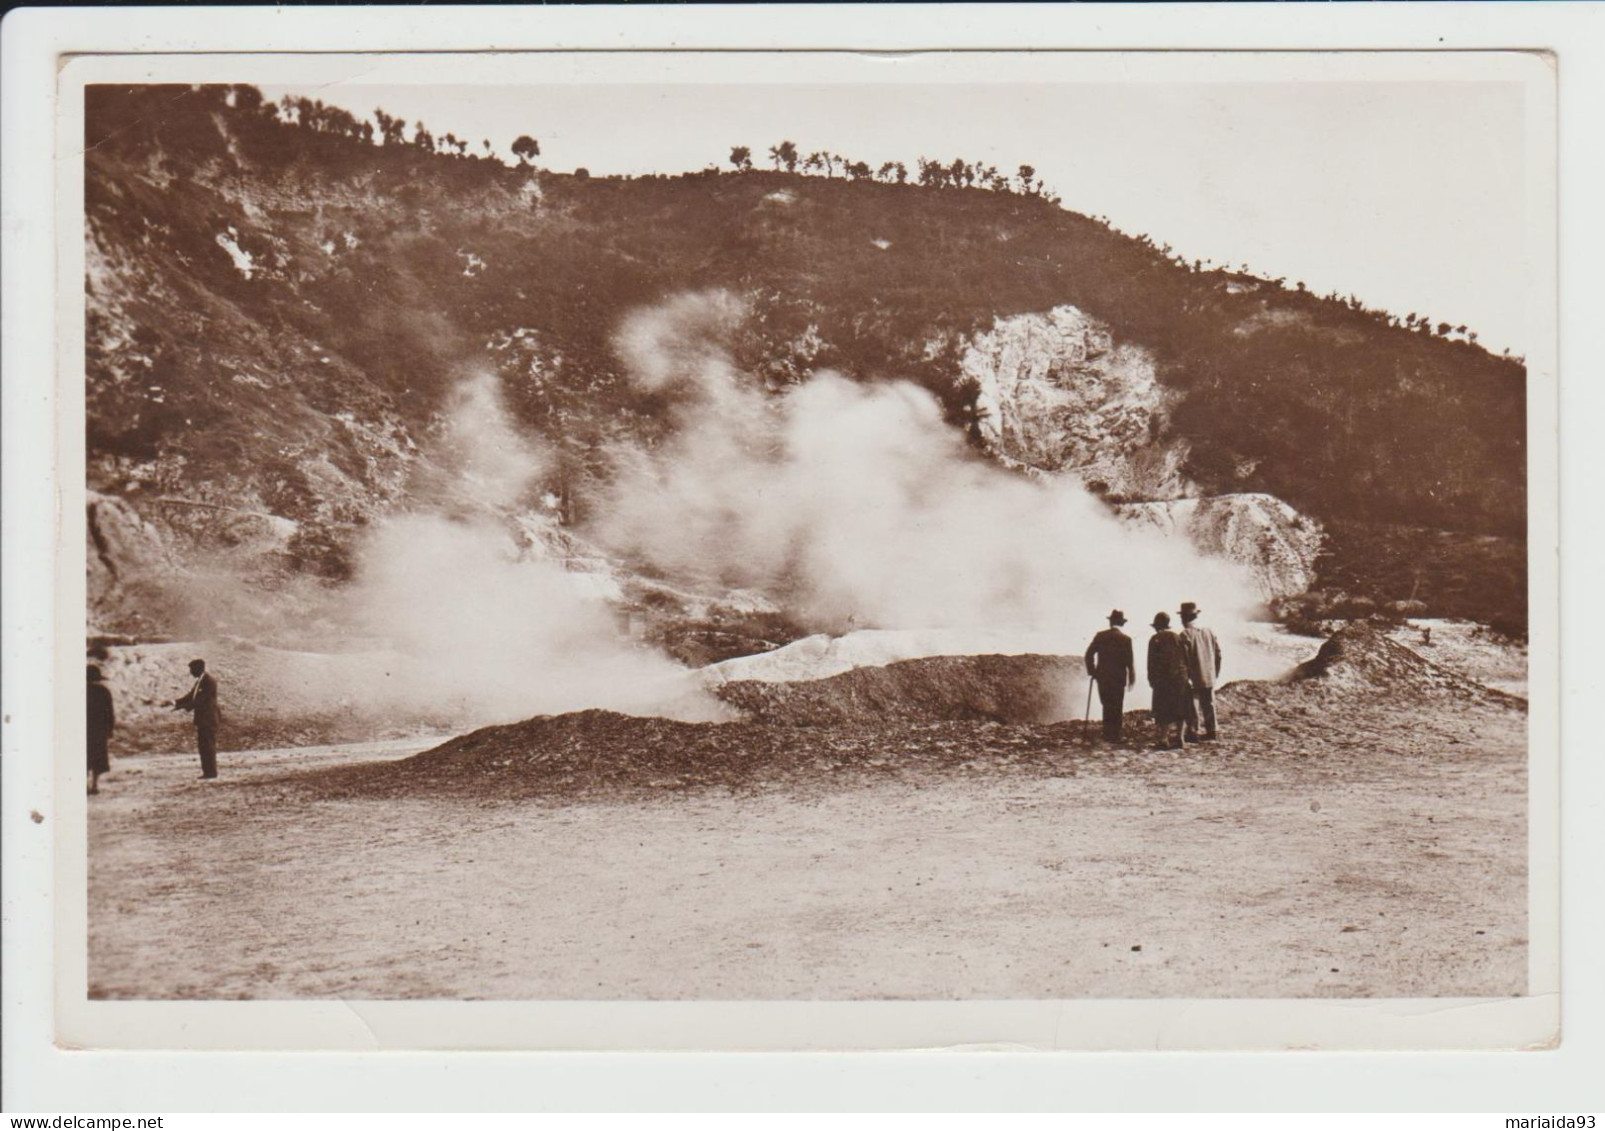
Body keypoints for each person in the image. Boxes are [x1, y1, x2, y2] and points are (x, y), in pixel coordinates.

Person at [1083, 609, 1137, 741]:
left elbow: (1088, 655)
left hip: (1103, 677)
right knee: (1117, 705)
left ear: (1110, 622)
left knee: (1106, 704)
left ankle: (1107, 733)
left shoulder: (1100, 636)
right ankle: (1116, 735)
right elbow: (1130, 663)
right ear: (1122, 623)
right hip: (1119, 678)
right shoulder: (1126, 640)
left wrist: (1093, 672)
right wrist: (1131, 679)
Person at [169, 658, 221, 779]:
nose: (190, 672)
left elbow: (199, 701)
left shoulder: (208, 681)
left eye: (192, 669)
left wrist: (180, 707)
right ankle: (208, 772)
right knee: (204, 745)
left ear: (198, 668)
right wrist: (174, 702)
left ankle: (211, 773)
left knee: (207, 745)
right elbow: (190, 696)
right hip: (204, 720)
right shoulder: (201, 681)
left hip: (208, 719)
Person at [1179, 601, 1223, 742]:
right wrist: (1214, 672)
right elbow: (1218, 654)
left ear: (1184, 618)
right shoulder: (1208, 631)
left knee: (1193, 706)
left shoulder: (1185, 634)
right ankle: (1213, 730)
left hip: (1194, 677)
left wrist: (1186, 678)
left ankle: (1194, 732)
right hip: (1209, 674)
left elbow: (1183, 660)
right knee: (1209, 703)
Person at [1146, 611, 1191, 750]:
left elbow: (1151, 663)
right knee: (1180, 709)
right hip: (1180, 678)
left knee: (1162, 710)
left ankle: (1164, 739)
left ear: (1157, 626)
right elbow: (1186, 658)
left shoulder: (1155, 639)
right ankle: (1180, 738)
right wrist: (1186, 676)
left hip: (1163, 680)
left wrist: (1152, 680)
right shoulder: (1178, 637)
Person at [87, 665, 115, 795]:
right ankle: (94, 785)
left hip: (84, 729)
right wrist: (110, 729)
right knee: (98, 757)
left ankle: (85, 784)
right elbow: (109, 713)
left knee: (85, 756)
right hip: (99, 730)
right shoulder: (104, 691)